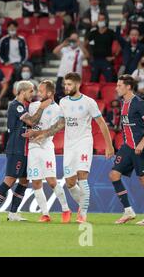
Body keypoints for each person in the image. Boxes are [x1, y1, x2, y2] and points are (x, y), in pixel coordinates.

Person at [25, 72, 114, 223]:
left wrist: (109, 145)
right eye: (65, 84)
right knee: (70, 183)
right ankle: (83, 204)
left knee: (82, 176)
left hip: (84, 143)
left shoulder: (88, 102)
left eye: (69, 84)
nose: (66, 87)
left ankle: (83, 214)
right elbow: (60, 124)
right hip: (70, 146)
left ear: (78, 85)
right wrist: (44, 133)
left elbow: (101, 123)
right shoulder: (64, 102)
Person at [0, 80, 50, 222]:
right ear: (22, 91)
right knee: (10, 180)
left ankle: (12, 213)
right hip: (16, 148)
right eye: (31, 91)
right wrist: (42, 107)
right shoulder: (16, 105)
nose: (33, 94)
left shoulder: (24, 106)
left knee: (24, 181)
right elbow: (31, 122)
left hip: (24, 150)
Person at [110, 75, 144, 226]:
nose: (116, 88)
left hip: (140, 148)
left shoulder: (139, 103)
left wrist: (142, 143)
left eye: (119, 85)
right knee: (114, 175)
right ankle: (128, 211)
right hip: (127, 147)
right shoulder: (123, 103)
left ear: (128, 87)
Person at [26, 80, 71, 223]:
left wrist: (41, 135)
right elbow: (31, 122)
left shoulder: (57, 109)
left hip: (46, 148)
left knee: (51, 181)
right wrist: (32, 132)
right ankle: (45, 214)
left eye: (41, 91)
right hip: (33, 148)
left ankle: (65, 209)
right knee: (36, 182)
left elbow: (56, 128)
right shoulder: (33, 105)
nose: (38, 94)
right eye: (38, 91)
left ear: (50, 93)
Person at [54, 33, 89, 99]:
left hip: (74, 77)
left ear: (78, 40)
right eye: (71, 39)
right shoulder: (65, 49)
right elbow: (55, 51)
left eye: (74, 40)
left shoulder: (80, 50)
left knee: (73, 96)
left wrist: (80, 45)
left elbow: (87, 55)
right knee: (59, 95)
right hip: (62, 76)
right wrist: (63, 44)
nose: (73, 41)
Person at [85, 13, 117, 82]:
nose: (100, 21)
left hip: (106, 60)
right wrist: (88, 55)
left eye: (102, 19)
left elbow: (118, 45)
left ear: (106, 20)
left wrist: (114, 56)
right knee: (93, 81)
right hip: (95, 60)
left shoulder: (110, 32)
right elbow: (85, 44)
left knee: (110, 80)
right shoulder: (93, 32)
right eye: (99, 19)